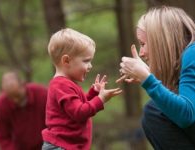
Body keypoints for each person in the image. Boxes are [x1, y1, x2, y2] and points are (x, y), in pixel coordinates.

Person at [117, 6, 195, 149]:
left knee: (154, 111)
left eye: (143, 44)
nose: (141, 53)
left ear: (160, 40)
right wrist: (149, 75)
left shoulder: (192, 53)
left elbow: (186, 114)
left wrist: (148, 79)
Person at [42, 28, 122, 150]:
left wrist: (93, 93)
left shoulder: (65, 84)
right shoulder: (61, 85)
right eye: (86, 61)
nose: (90, 66)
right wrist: (100, 99)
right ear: (66, 60)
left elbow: (76, 106)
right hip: (61, 146)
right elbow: (79, 112)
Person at [0, 71, 48, 150]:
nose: (16, 100)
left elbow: (55, 123)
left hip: (47, 145)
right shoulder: (0, 107)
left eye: (17, 95)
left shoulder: (42, 94)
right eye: (11, 97)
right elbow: (3, 138)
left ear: (23, 84)